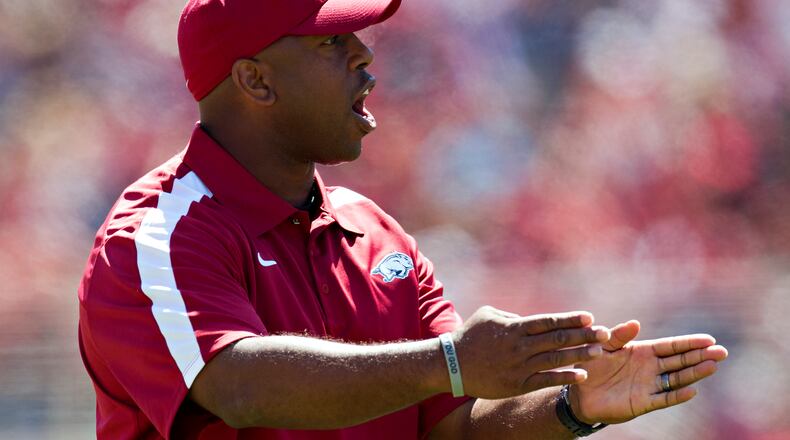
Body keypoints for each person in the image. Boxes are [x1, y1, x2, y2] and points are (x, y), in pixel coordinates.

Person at [77, 1, 728, 439]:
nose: (364, 57)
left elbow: (451, 424)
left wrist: (572, 406)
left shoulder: (376, 231)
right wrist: (448, 361)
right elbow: (240, 385)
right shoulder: (153, 236)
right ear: (256, 80)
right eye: (332, 42)